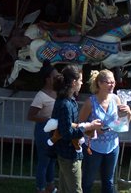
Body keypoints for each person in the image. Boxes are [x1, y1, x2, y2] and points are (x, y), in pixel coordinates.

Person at [50, 65, 101, 193]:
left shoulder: (69, 100)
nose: (82, 83)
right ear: (74, 82)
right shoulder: (65, 104)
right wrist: (88, 127)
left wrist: (85, 128)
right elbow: (66, 132)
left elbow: (69, 125)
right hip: (69, 154)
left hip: (68, 153)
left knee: (64, 189)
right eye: (80, 80)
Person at [79, 69, 131, 193]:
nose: (112, 85)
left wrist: (129, 113)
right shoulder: (90, 102)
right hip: (93, 148)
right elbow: (80, 126)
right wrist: (93, 129)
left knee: (108, 182)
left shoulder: (116, 99)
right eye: (109, 82)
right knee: (87, 181)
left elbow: (123, 123)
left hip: (112, 146)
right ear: (100, 84)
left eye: (113, 82)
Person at [27, 61, 59, 193]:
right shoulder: (41, 96)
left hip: (54, 131)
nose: (58, 78)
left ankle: (50, 187)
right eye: (55, 76)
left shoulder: (58, 92)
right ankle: (40, 188)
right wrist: (48, 119)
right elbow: (31, 115)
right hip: (43, 131)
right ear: (48, 79)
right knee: (44, 162)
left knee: (52, 160)